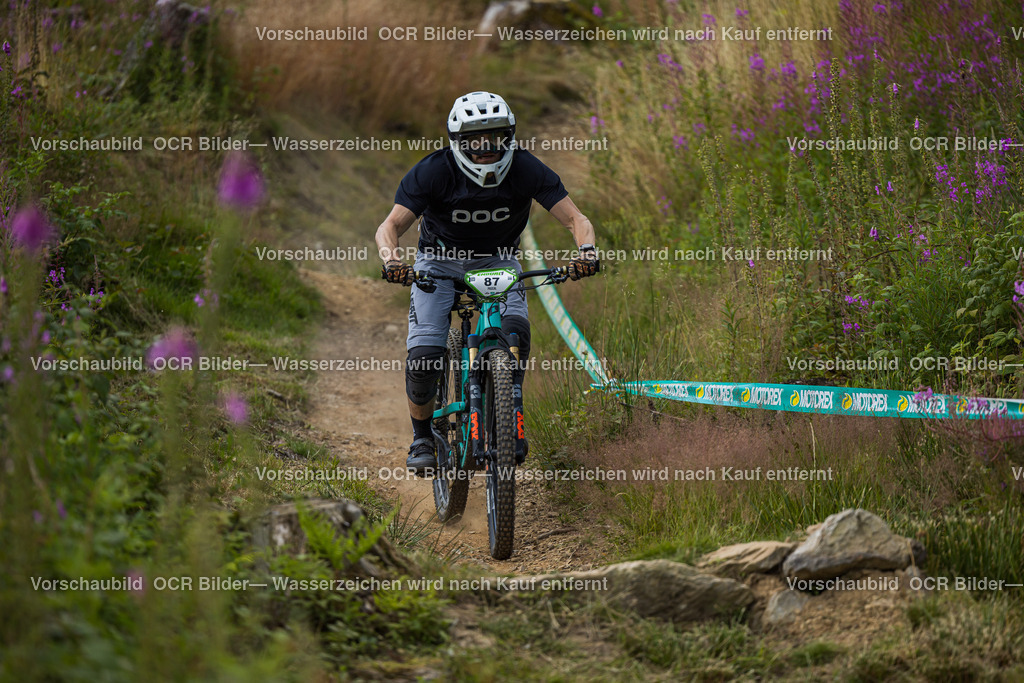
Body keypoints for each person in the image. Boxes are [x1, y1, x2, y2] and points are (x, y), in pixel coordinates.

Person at [374, 91, 599, 474]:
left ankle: (510, 410)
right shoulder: (433, 171)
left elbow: (576, 219)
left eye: (495, 138)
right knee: (424, 355)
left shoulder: (526, 168)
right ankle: (422, 437)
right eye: (475, 142)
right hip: (439, 262)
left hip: (499, 260)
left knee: (515, 330)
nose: (486, 150)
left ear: (509, 136)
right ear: (458, 141)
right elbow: (390, 226)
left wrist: (587, 252)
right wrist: (392, 259)